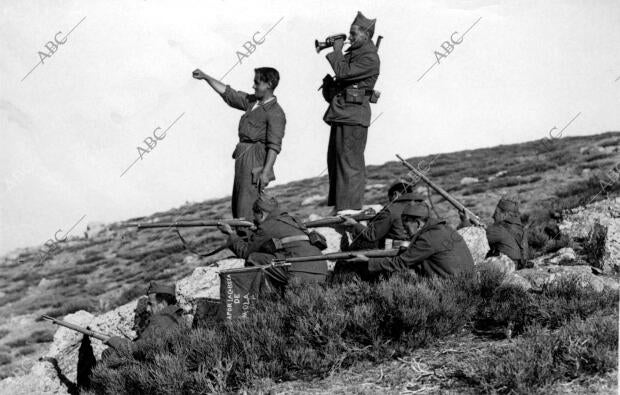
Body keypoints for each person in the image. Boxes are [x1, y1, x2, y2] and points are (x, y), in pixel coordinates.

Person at [192, 67, 286, 219]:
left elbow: (274, 146)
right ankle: (242, 238)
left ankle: (248, 238)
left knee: (247, 203)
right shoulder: (253, 102)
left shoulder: (276, 112)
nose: (253, 86)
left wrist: (266, 172)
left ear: (268, 84)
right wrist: (206, 77)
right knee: (238, 200)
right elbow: (230, 94)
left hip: (255, 160)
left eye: (257, 83)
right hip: (242, 157)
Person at [322, 11, 381, 214]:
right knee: (337, 159)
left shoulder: (370, 58)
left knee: (349, 162)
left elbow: (344, 73)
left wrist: (336, 50)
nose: (350, 38)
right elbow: (342, 84)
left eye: (353, 34)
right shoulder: (355, 56)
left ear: (366, 34)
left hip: (353, 116)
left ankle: (349, 208)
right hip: (343, 113)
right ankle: (342, 205)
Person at [218, 193, 328, 284]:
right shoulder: (293, 219)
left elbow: (245, 252)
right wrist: (256, 230)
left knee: (254, 258)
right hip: (321, 271)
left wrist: (231, 233)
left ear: (261, 214)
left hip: (300, 274)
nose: (253, 218)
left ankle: (263, 297)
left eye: (254, 215)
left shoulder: (266, 227)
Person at [351, 202, 474, 278]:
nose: (404, 230)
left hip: (451, 289)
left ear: (418, 222)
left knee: (397, 277)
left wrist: (368, 261)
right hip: (464, 283)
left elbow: (400, 263)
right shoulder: (444, 229)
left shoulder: (428, 238)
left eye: (406, 226)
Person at [101, 282, 183, 362]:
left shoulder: (162, 320)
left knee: (108, 354)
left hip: (157, 366)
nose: (147, 309)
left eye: (150, 304)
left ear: (163, 304)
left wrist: (113, 340)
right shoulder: (173, 316)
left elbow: (137, 349)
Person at [340, 180, 426, 250]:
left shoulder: (391, 209)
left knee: (360, 242)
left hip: (396, 248)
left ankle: (345, 265)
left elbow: (371, 235)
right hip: (417, 246)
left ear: (395, 195)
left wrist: (354, 224)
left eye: (390, 199)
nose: (389, 202)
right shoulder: (422, 206)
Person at [460, 196, 529, 269]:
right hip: (516, 266)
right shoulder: (520, 229)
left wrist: (465, 221)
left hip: (504, 269)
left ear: (505, 215)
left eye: (496, 213)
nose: (493, 216)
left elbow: (474, 240)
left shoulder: (499, 229)